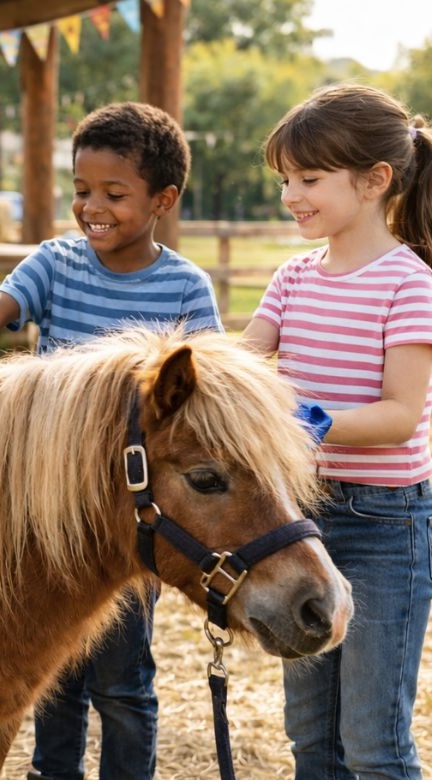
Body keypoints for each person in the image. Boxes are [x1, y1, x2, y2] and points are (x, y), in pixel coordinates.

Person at [0, 101, 223, 780]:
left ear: (162, 199)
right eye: (80, 190)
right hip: (46, 513)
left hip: (125, 514)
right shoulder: (57, 262)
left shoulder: (184, 286)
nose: (90, 207)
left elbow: (202, 390)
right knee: (46, 678)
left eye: (113, 194)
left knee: (122, 681)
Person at [241, 83, 432, 780]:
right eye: (286, 178)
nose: (291, 194)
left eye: (309, 178)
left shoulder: (407, 282)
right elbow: (241, 363)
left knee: (373, 746)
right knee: (310, 741)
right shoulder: (291, 279)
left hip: (384, 527)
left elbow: (398, 416)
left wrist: (296, 426)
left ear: (374, 180)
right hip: (302, 520)